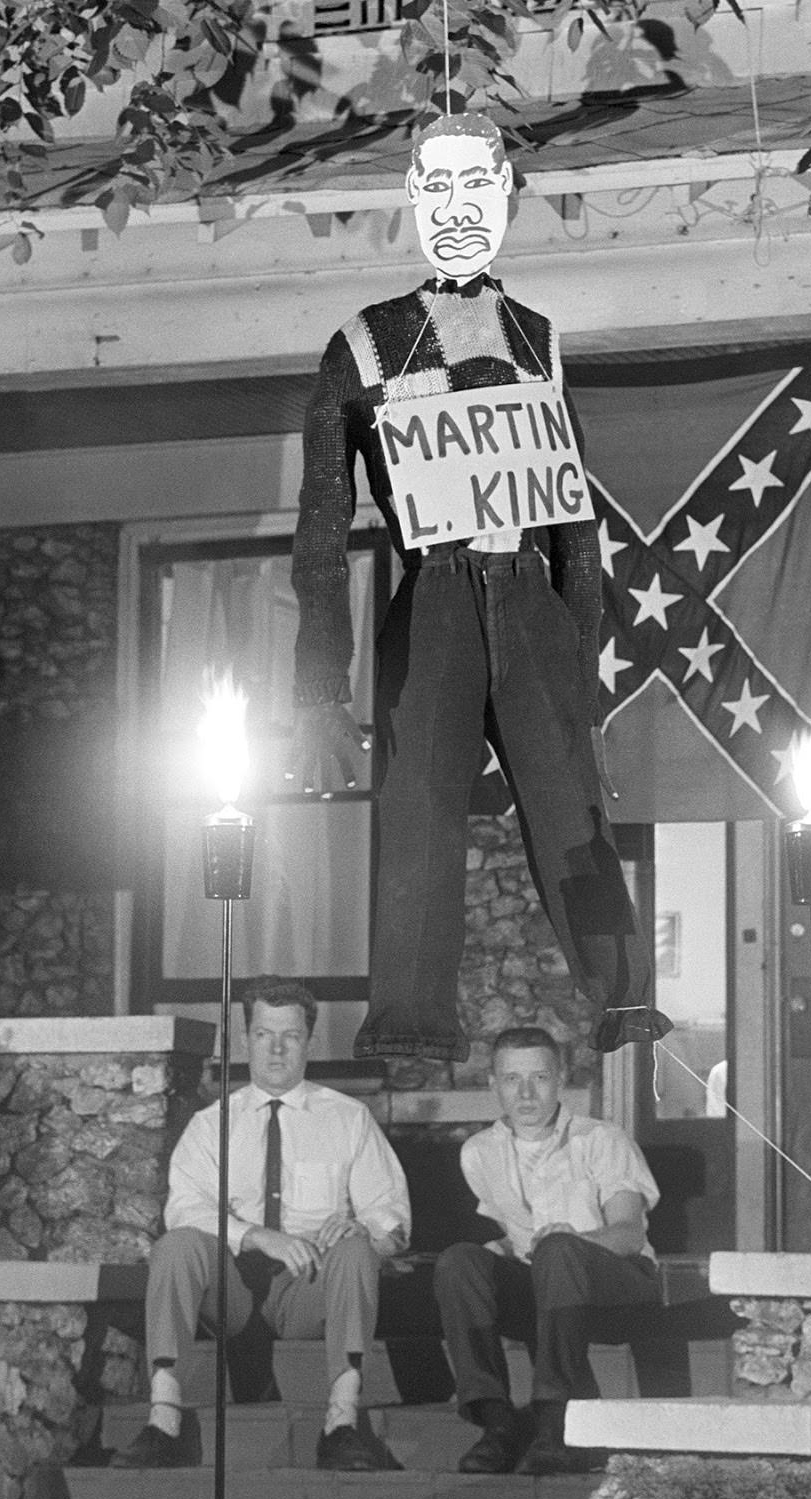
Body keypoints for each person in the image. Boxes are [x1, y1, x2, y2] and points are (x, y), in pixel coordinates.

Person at [288, 109, 670, 1064]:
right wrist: (318, 685)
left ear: (505, 196)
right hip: (436, 598)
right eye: (437, 189)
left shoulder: (538, 338)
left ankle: (619, 992)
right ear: (413, 201)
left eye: (476, 187)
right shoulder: (363, 343)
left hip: (528, 590)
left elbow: (576, 522)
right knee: (417, 803)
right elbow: (322, 531)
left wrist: (584, 661)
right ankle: (410, 1017)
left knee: (569, 802)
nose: (457, 209)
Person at [111, 974, 411, 1472]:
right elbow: (184, 1208)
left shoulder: (348, 1118)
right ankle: (164, 1417)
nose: (276, 1050)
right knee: (177, 1245)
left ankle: (341, 1421)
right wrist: (254, 1235)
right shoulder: (211, 1125)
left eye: (290, 1037)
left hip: (309, 1289)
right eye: (263, 1035)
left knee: (358, 1250)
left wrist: (365, 1230)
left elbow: (390, 1214)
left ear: (309, 1042)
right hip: (231, 1289)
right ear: (245, 1040)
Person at [434, 1026, 660, 1474]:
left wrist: (571, 1243)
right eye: (512, 1079)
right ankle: (495, 1421)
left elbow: (628, 1233)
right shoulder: (479, 1153)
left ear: (560, 1080)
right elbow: (514, 1233)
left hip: (616, 1280)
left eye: (538, 1078)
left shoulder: (601, 1140)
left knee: (558, 1250)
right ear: (493, 1084)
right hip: (544, 1286)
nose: (526, 1092)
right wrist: (488, 1263)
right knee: (459, 1261)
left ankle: (555, 1420)